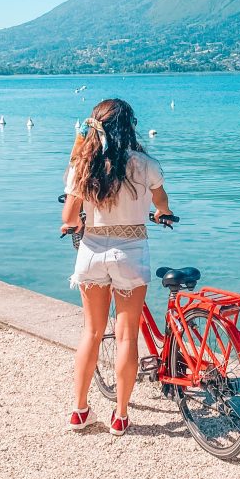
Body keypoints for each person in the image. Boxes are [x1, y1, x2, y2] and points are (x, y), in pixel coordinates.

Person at [61, 98, 173, 436]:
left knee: (91, 333)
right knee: (127, 336)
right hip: (131, 253)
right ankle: (121, 416)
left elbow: (68, 218)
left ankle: (80, 411)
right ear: (130, 126)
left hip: (92, 251)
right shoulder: (144, 164)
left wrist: (81, 219)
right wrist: (160, 213)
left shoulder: (83, 166)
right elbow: (162, 203)